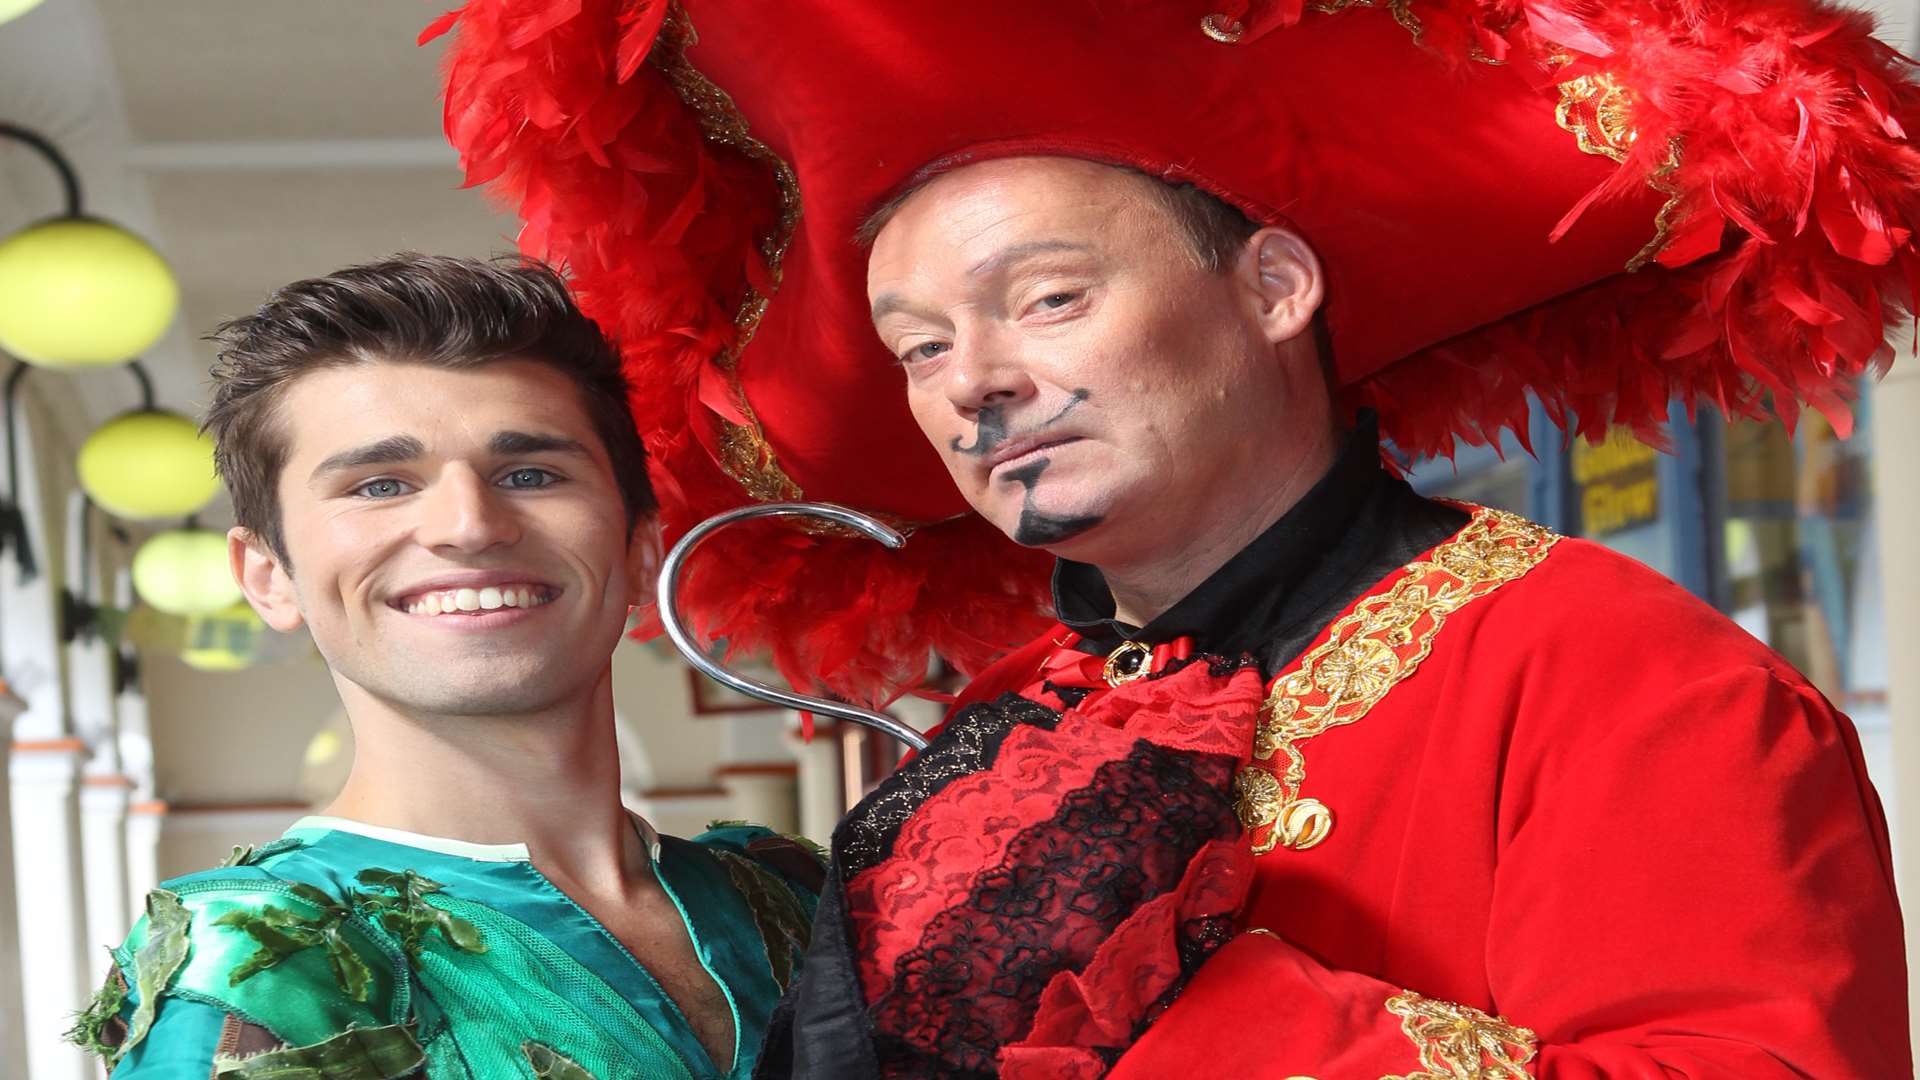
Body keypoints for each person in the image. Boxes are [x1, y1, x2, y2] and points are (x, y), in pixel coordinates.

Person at [431, 2, 1919, 1075]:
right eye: (917, 346)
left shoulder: (1627, 679)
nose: (976, 380)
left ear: (1272, 289)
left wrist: (1166, 1005)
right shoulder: (990, 733)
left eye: (1052, 297)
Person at [67, 254, 821, 1080]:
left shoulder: (791, 900)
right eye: (380, 484)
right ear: (268, 577)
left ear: (641, 551)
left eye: (530, 474)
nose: (468, 525)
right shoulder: (254, 965)